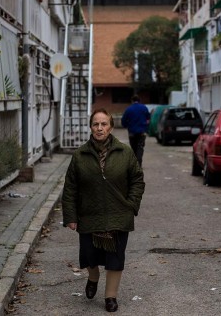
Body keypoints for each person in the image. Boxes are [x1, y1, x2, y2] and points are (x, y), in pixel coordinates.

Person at [61, 108, 145, 312]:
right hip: (89, 214)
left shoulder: (125, 152)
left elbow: (137, 180)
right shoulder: (80, 154)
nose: (100, 128)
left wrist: (132, 204)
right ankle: (93, 277)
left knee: (116, 257)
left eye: (104, 124)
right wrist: (70, 216)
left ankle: (110, 297)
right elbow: (70, 187)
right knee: (90, 255)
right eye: (96, 124)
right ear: (91, 127)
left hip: (119, 214)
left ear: (111, 127)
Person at [121, 95, 151, 166]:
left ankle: (135, 163)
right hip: (142, 131)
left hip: (132, 132)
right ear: (139, 100)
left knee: (134, 147)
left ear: (132, 101)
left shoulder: (129, 109)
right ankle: (139, 162)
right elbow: (148, 118)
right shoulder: (144, 108)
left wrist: (125, 126)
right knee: (140, 147)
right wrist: (146, 127)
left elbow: (124, 120)